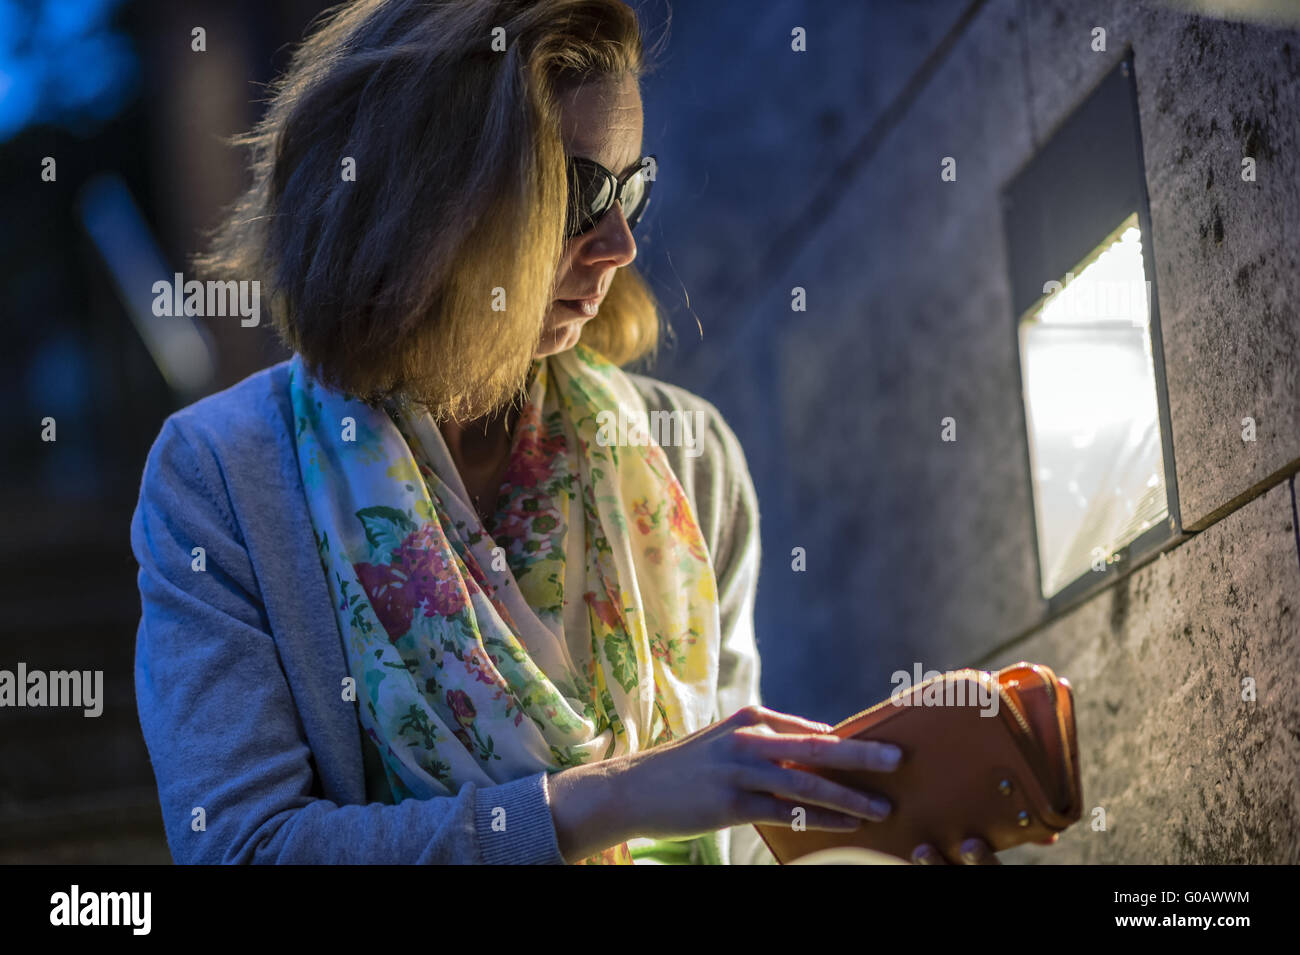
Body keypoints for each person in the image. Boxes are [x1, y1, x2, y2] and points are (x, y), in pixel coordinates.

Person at [130, 0, 997, 865]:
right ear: (426, 200)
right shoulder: (222, 477)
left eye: (632, 187)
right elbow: (244, 848)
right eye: (579, 193)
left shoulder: (690, 456)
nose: (620, 242)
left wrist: (875, 843)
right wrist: (613, 797)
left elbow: (733, 846)